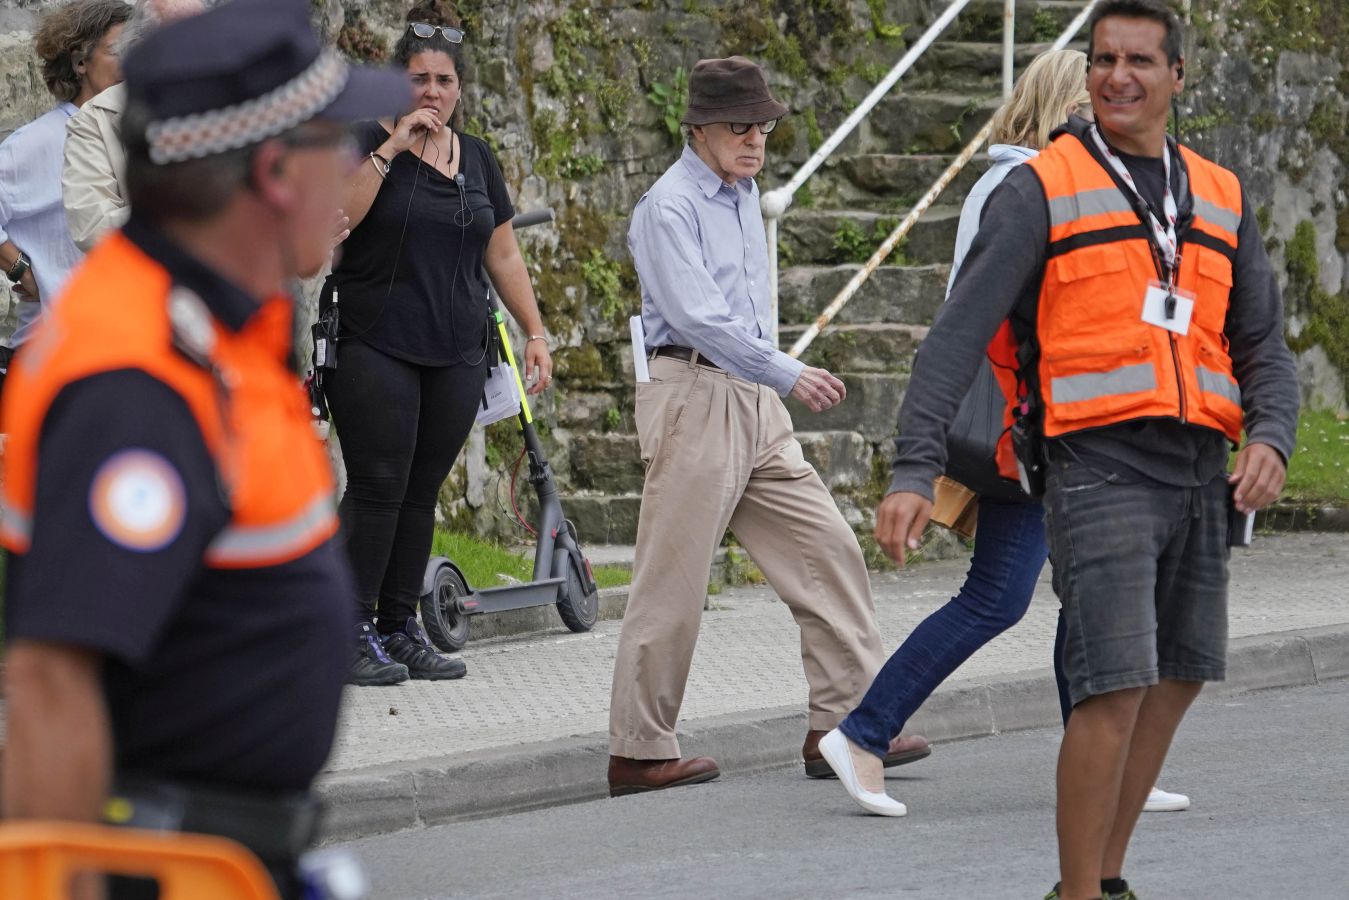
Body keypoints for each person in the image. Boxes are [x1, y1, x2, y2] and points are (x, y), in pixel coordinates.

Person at [866, 1, 1299, 896]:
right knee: (1112, 686)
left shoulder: (1217, 193)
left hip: (1197, 472)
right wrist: (914, 469)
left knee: (1175, 678)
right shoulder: (1042, 185)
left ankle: (1104, 879)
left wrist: (1273, 437)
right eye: (1102, 59)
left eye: (1139, 60)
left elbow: (1262, 342)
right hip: (1095, 467)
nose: (1117, 77)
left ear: (1177, 77)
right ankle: (1077, 892)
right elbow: (955, 338)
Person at [0, 3, 406, 899]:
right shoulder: (134, 380)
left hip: (231, 861)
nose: (348, 168)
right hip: (163, 867)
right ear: (269, 171)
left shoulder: (217, 334)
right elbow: (53, 684)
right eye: (330, 143)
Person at [821, 47, 1192, 820]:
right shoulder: (1022, 188)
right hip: (1031, 425)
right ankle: (862, 733)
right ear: (1067, 110)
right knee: (997, 596)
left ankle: (1102, 763)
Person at [607, 56, 931, 798]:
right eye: (739, 126)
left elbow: (743, 312)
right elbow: (696, 315)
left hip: (750, 398)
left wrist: (769, 380)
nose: (756, 138)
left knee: (826, 546)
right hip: (692, 390)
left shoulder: (744, 193)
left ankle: (842, 726)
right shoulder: (668, 207)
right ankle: (637, 749)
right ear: (698, 129)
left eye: (764, 125)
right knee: (673, 580)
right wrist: (787, 371)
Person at [325, 0, 553, 687]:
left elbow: (503, 255)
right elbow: (338, 220)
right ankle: (348, 629)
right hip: (373, 343)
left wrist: (534, 332)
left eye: (444, 81)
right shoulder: (362, 140)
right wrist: (392, 147)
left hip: (455, 346)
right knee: (377, 485)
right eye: (418, 79)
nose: (432, 92)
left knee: (421, 490)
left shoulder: (476, 156)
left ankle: (399, 624)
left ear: (459, 88)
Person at [0, 0, 129, 385]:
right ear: (80, 62)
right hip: (51, 363)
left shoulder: (134, 137)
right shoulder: (40, 140)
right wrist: (20, 267)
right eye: (117, 51)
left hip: (114, 358)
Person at [61, 0, 207, 253]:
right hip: (153, 280)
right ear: (141, 49)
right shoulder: (95, 120)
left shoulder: (235, 98)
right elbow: (92, 226)